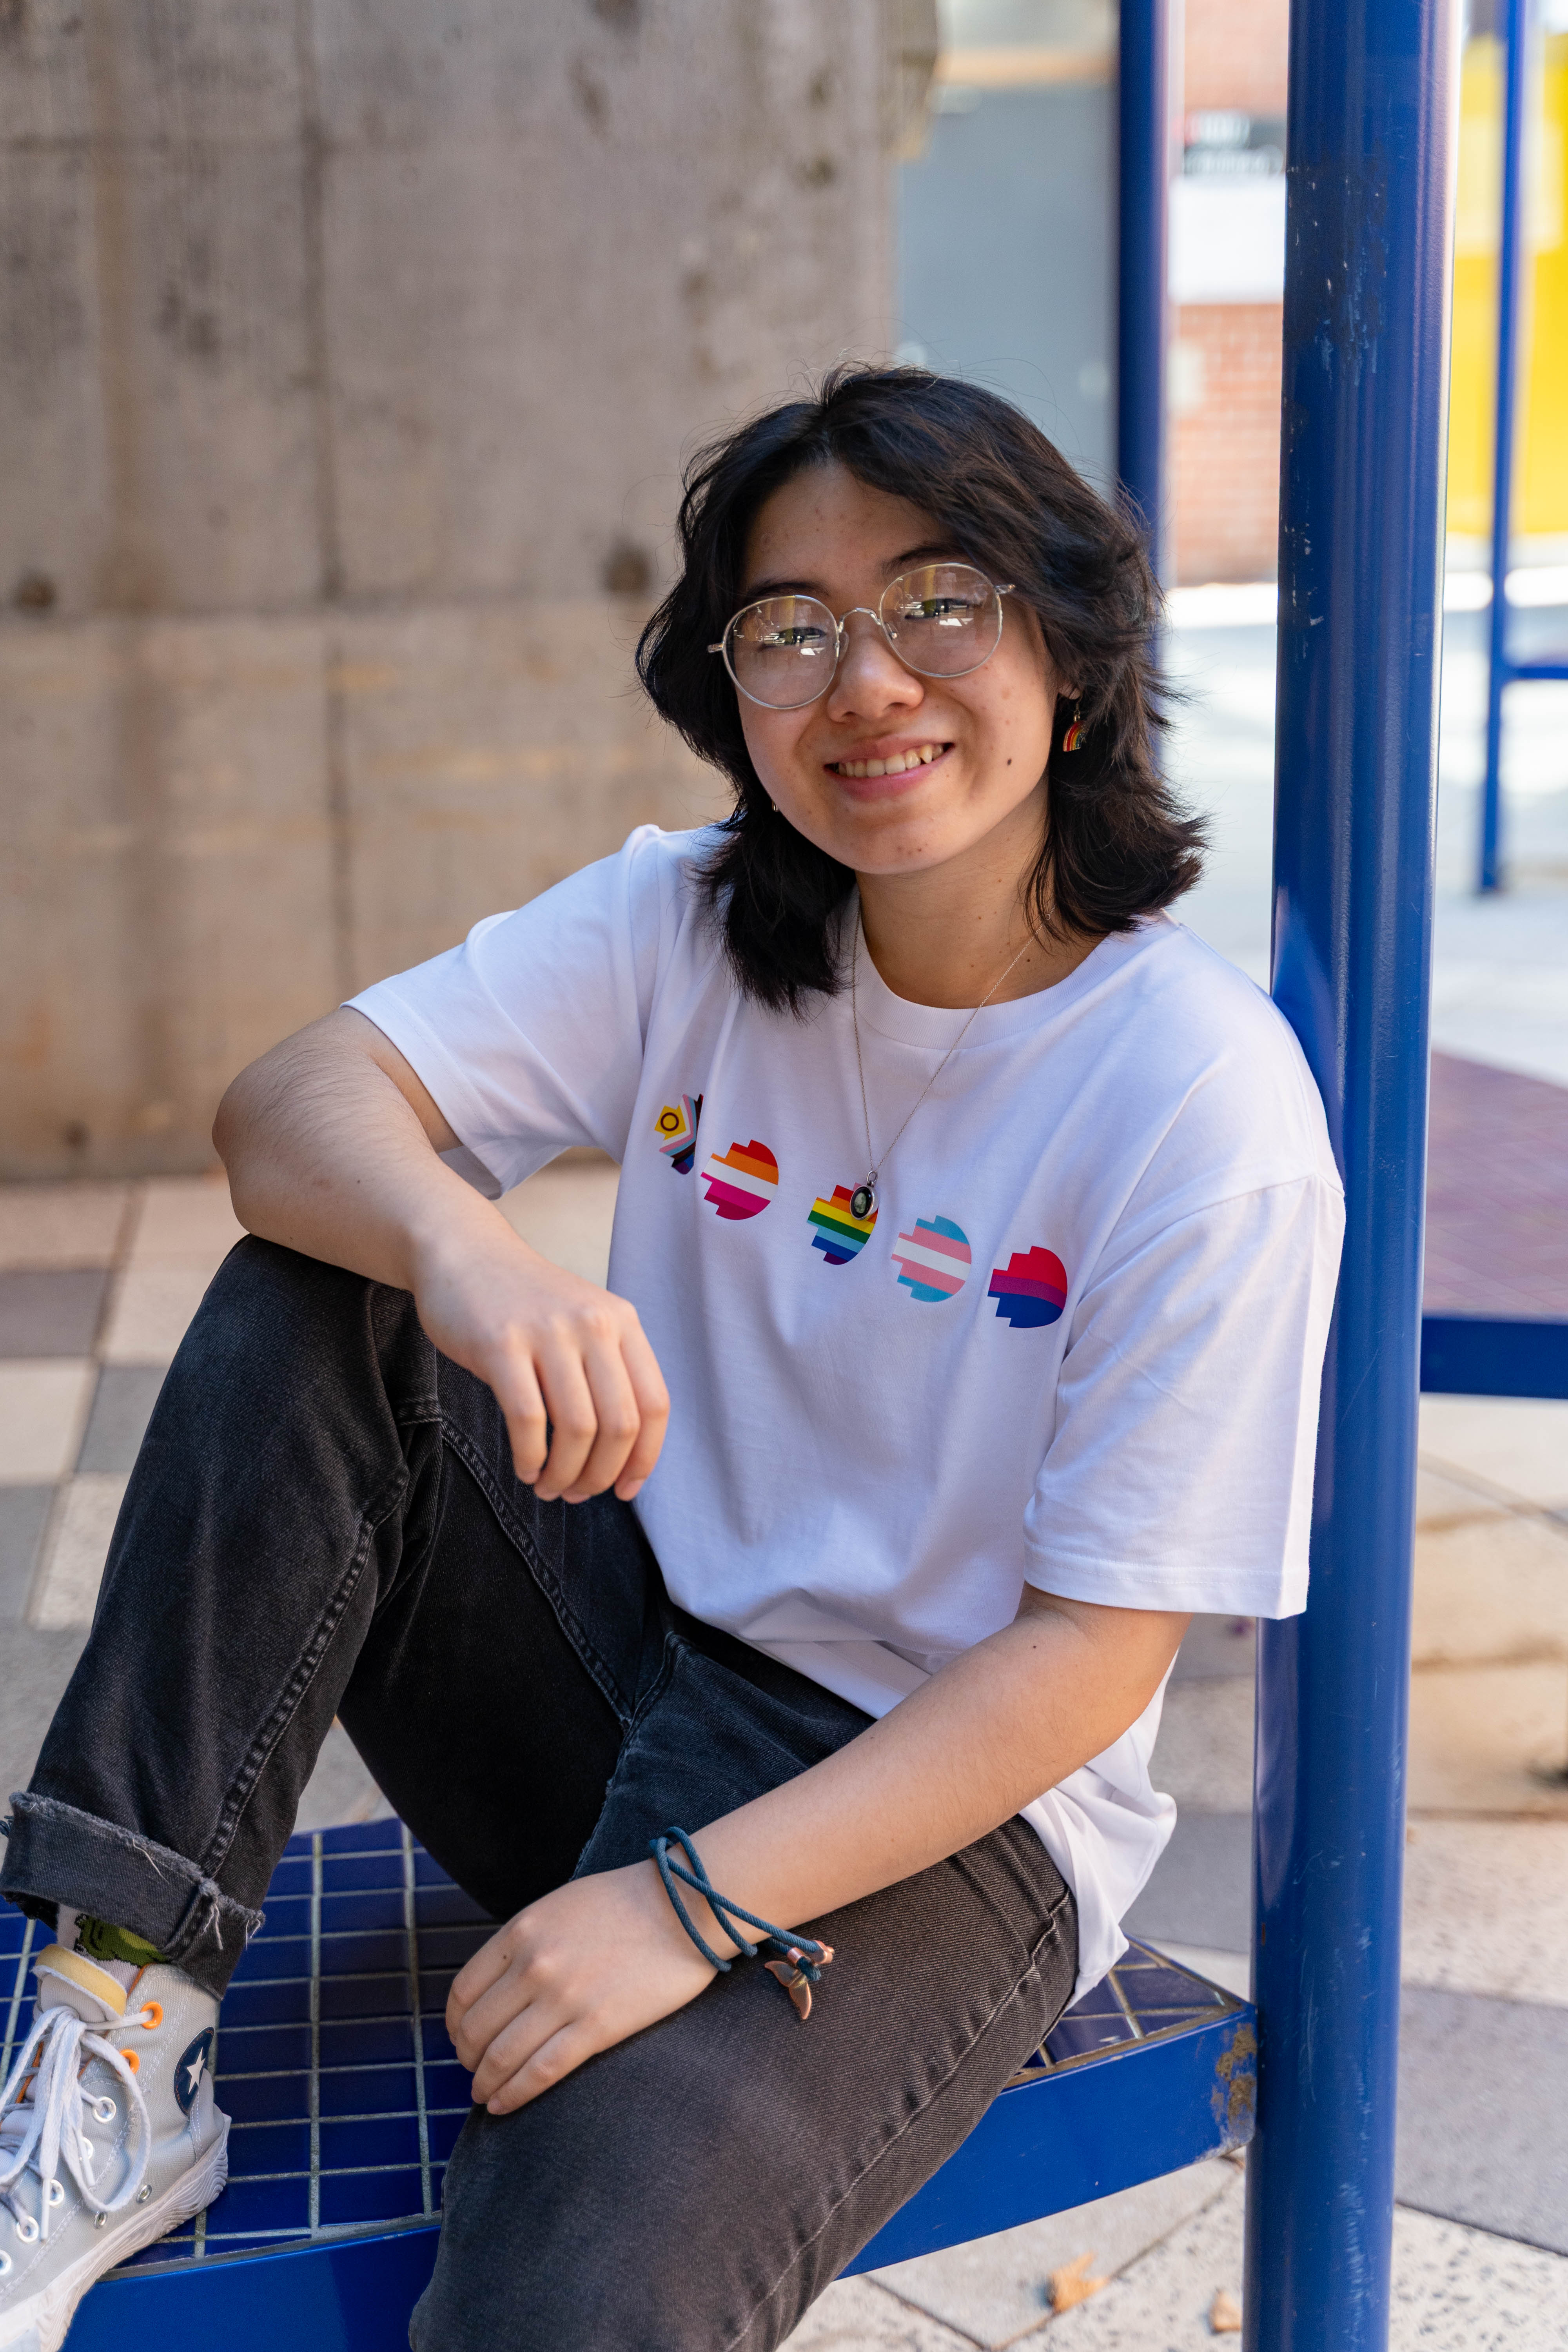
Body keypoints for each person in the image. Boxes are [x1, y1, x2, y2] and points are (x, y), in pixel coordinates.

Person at [0, 367, 1343, 2352]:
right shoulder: (688, 925)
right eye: (789, 629)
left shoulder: (1199, 1104)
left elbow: (1089, 1660)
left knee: (567, 2301)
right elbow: (288, 1108)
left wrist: (683, 1906)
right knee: (324, 1284)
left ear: (1068, 653)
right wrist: (466, 1250)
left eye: (937, 598)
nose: (864, 679)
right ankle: (121, 2035)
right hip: (631, 1655)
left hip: (943, 1809)